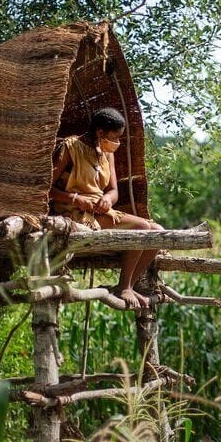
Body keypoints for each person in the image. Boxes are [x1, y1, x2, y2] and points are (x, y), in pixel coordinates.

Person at [49, 107, 163, 309]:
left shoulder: (106, 153)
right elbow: (46, 188)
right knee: (143, 229)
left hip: (100, 211)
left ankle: (128, 285)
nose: (117, 142)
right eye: (115, 137)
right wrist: (76, 199)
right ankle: (124, 287)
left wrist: (108, 200)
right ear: (100, 133)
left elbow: (113, 190)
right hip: (73, 213)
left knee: (158, 232)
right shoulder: (71, 147)